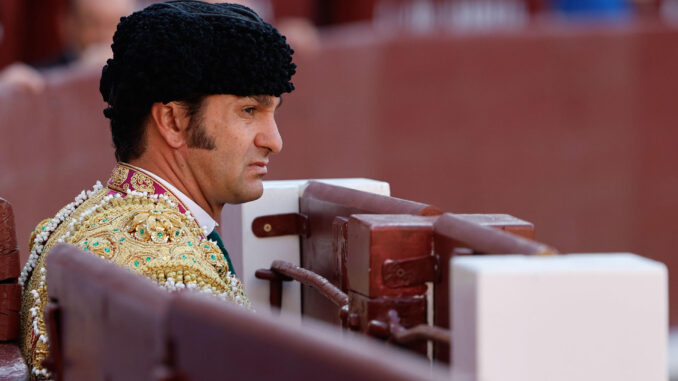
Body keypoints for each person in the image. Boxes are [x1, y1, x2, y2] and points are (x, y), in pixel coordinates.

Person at [18, 1, 296, 379]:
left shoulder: (75, 221)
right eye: (249, 110)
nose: (274, 140)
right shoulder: (173, 273)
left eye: (273, 112)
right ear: (173, 120)